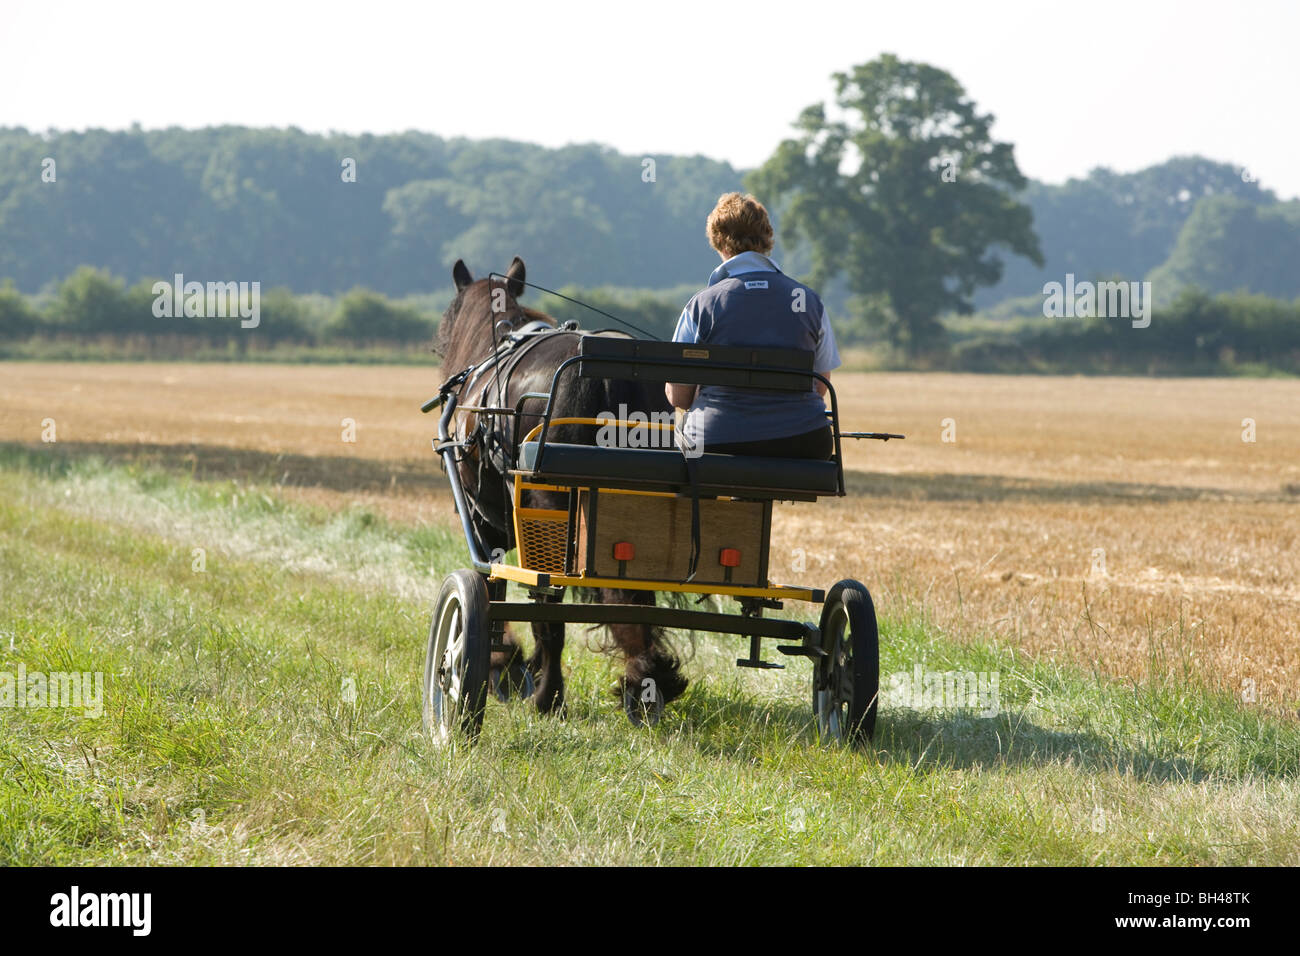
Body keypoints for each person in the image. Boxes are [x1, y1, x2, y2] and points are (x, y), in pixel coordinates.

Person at [666, 192, 840, 459]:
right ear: (766, 240)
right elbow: (820, 385)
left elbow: (678, 396)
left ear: (720, 243)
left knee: (681, 440)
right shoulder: (808, 301)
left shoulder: (702, 304)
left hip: (716, 440)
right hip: (804, 440)